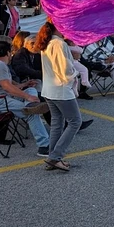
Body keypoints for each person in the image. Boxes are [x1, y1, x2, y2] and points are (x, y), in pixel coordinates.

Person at [34, 20, 83, 170]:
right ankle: (55, 156)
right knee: (75, 121)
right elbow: (66, 70)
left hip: (49, 89)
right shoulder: (59, 44)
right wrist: (76, 73)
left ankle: (52, 156)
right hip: (60, 89)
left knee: (57, 123)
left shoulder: (47, 42)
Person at [0, 39, 50, 156]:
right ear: (7, 53)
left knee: (31, 89)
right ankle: (44, 146)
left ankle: (30, 105)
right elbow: (6, 87)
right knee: (30, 113)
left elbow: (9, 85)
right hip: (0, 101)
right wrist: (27, 96)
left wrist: (25, 85)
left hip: (5, 98)